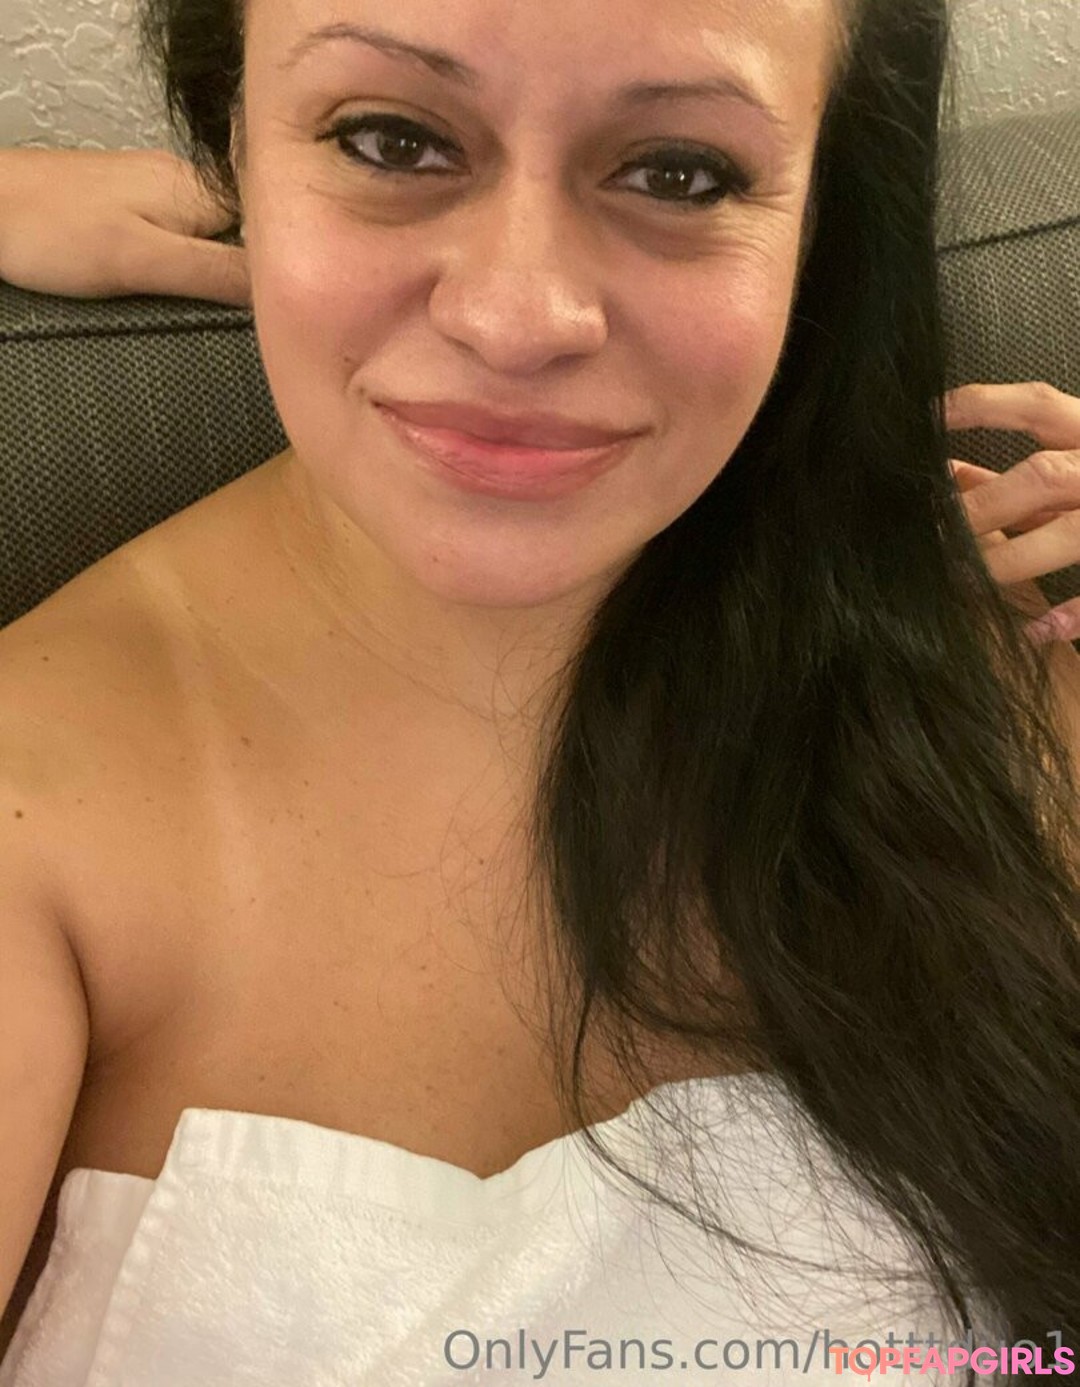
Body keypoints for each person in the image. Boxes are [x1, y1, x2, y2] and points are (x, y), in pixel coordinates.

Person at [0, 0, 1078, 1381]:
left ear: (823, 218)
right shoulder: (37, 820)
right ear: (236, 147)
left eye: (681, 172)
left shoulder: (1003, 671)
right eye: (391, 140)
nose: (518, 320)